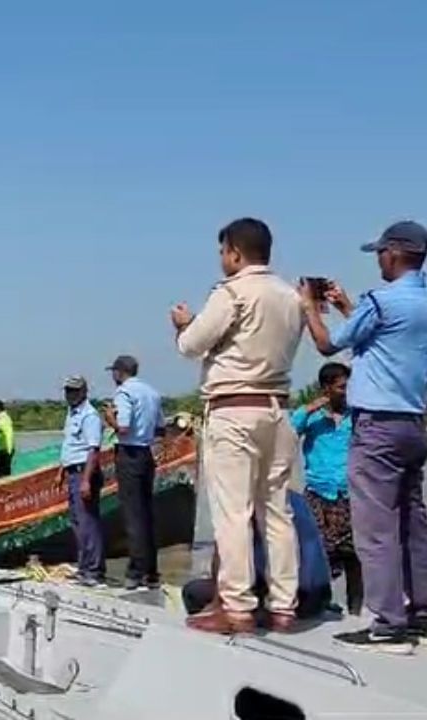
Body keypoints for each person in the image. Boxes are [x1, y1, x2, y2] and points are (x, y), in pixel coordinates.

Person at [299, 220, 427, 653]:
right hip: (415, 423)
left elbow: (327, 345)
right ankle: (420, 611)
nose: (377, 260)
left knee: (375, 529)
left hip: (376, 426)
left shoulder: (383, 299)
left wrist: (309, 308)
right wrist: (346, 305)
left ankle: (388, 624)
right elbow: (385, 338)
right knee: (412, 521)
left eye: (379, 253)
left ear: (392, 253)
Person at [174, 217, 302, 635]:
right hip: (277, 409)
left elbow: (192, 344)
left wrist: (183, 325)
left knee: (233, 513)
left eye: (222, 252)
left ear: (234, 252)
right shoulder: (289, 297)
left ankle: (237, 606)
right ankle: (284, 606)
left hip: (234, 409)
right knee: (276, 511)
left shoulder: (232, 292)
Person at [183, 490, 333, 621]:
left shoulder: (245, 501)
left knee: (193, 591)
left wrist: (219, 602)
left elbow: (225, 552)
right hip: (320, 594)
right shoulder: (292, 497)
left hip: (295, 597)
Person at [290, 362, 362, 616]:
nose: (346, 391)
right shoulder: (312, 418)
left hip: (349, 492)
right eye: (342, 387)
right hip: (318, 492)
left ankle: (355, 609)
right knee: (318, 551)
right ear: (327, 388)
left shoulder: (356, 416)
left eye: (349, 386)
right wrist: (310, 408)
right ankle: (320, 602)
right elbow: (287, 433)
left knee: (353, 553)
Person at [100, 355, 165, 590]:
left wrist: (110, 419)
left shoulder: (124, 393)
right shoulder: (152, 393)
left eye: (114, 372)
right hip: (146, 454)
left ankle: (135, 571)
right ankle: (152, 572)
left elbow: (123, 427)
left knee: (133, 514)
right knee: (147, 513)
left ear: (119, 372)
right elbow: (161, 428)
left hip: (129, 453)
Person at [60, 375, 106, 587]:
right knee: (78, 522)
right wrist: (61, 471)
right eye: (68, 390)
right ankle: (84, 567)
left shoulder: (89, 416)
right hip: (72, 471)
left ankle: (94, 571)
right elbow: (70, 445)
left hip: (83, 472)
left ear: (84, 392)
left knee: (88, 522)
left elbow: (93, 450)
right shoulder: (71, 414)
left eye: (74, 391)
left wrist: (86, 480)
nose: (70, 395)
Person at [0, 400, 15, 478]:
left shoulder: (4, 418)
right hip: (1, 449)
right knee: (1, 472)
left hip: (5, 449)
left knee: (2, 473)